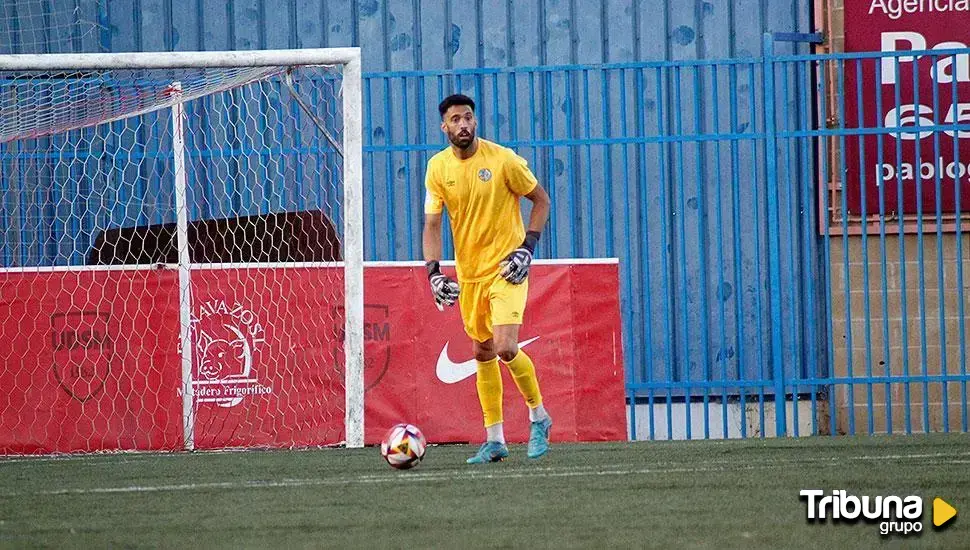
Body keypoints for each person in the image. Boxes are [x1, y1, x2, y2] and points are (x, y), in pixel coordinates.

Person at [422, 94, 553, 464]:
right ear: (443, 127)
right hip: (470, 276)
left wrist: (527, 247)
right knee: (481, 351)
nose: (463, 125)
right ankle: (494, 439)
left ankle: (538, 416)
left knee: (505, 347)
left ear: (475, 122)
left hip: (507, 269)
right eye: (455, 120)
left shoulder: (503, 160)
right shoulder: (437, 169)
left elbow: (541, 200)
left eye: (468, 118)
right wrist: (433, 273)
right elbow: (432, 224)